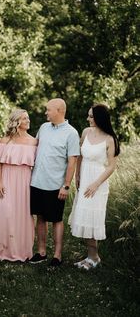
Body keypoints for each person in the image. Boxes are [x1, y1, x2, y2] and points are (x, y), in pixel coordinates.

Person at [69, 103, 120, 270]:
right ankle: (89, 256)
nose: (88, 119)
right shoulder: (85, 132)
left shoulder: (109, 139)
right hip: (84, 179)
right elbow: (80, 157)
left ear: (100, 118)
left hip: (97, 182)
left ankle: (95, 257)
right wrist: (77, 175)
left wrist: (96, 184)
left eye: (91, 116)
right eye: (88, 116)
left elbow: (111, 166)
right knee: (83, 217)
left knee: (92, 219)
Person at [30, 98, 80, 267]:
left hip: (56, 185)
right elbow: (33, 146)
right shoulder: (44, 128)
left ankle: (57, 255)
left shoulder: (71, 133)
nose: (46, 113)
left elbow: (72, 162)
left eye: (48, 110)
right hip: (37, 181)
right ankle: (41, 252)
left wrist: (66, 185)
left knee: (56, 219)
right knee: (40, 217)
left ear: (59, 110)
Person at [0, 109, 37, 261]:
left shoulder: (34, 141)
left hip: (25, 181)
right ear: (16, 122)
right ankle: (3, 249)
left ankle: (22, 249)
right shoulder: (5, 140)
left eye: (28, 117)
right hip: (7, 179)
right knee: (6, 213)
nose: (28, 120)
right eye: (24, 118)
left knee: (23, 214)